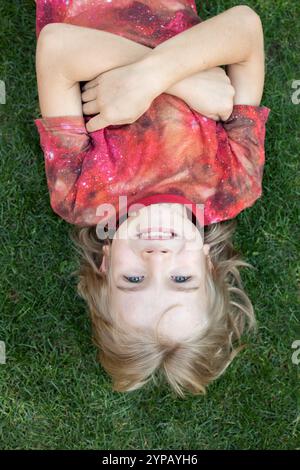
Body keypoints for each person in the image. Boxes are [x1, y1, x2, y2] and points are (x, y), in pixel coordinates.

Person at [34, 0, 270, 397]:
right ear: (209, 265)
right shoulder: (234, 181)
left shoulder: (77, 194)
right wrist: (166, 75)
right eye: (181, 280)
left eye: (133, 280)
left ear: (106, 265)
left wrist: (166, 77)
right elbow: (245, 28)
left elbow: (57, 47)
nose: (156, 260)